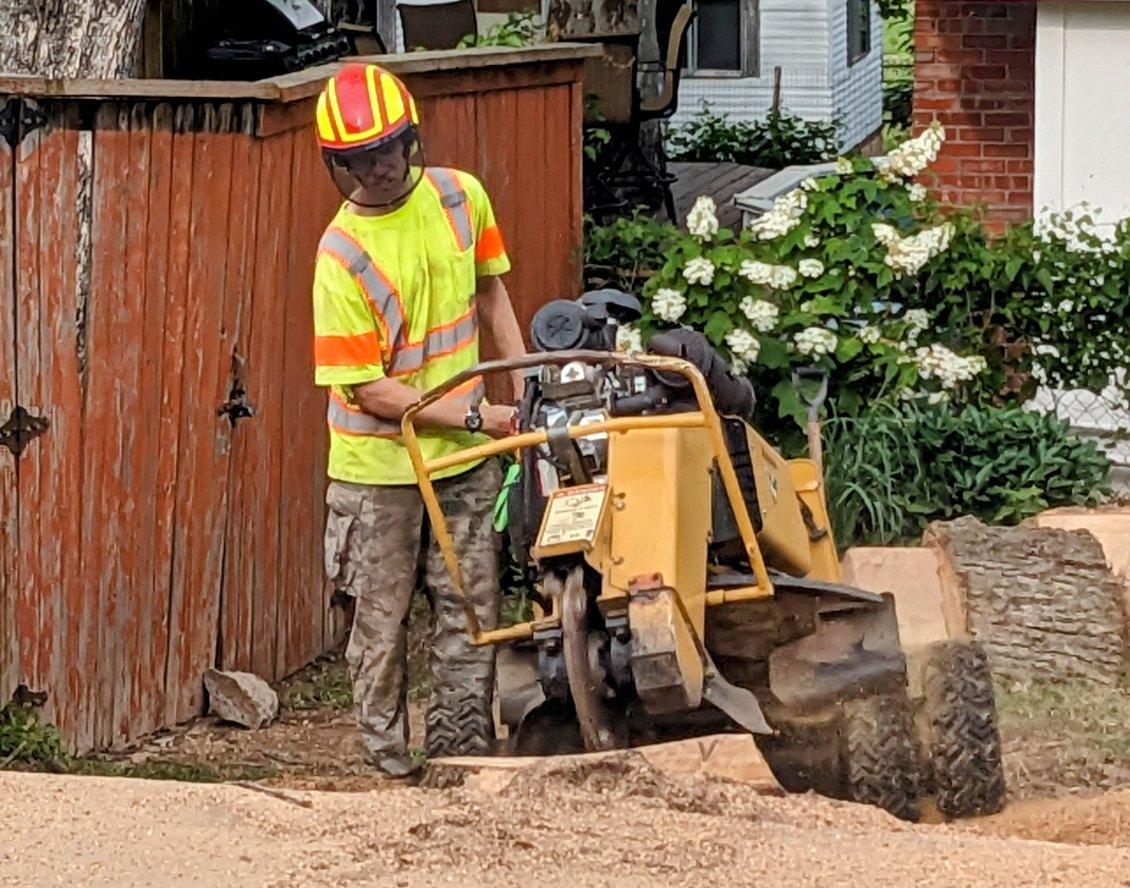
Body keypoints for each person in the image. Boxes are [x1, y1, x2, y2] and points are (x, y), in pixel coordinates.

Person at [311, 62, 525, 776]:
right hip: (378, 473)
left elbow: (491, 293)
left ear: (410, 139)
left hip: (464, 457)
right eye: (359, 159)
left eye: (386, 149)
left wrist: (522, 382)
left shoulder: (462, 197)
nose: (377, 167)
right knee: (381, 625)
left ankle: (461, 755)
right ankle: (387, 764)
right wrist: (478, 415)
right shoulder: (341, 255)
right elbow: (370, 391)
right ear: (337, 165)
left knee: (471, 612)